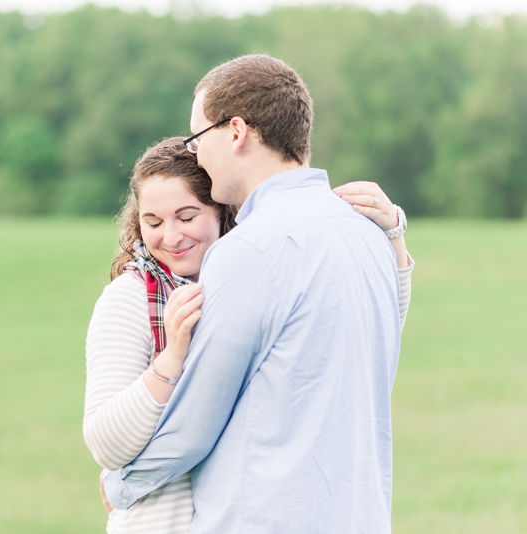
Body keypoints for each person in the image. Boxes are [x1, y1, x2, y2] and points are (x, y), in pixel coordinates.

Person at [99, 54, 411, 533]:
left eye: (198, 137)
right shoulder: (371, 235)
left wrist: (121, 485)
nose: (196, 154)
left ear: (237, 131)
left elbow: (194, 422)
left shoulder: (248, 251)